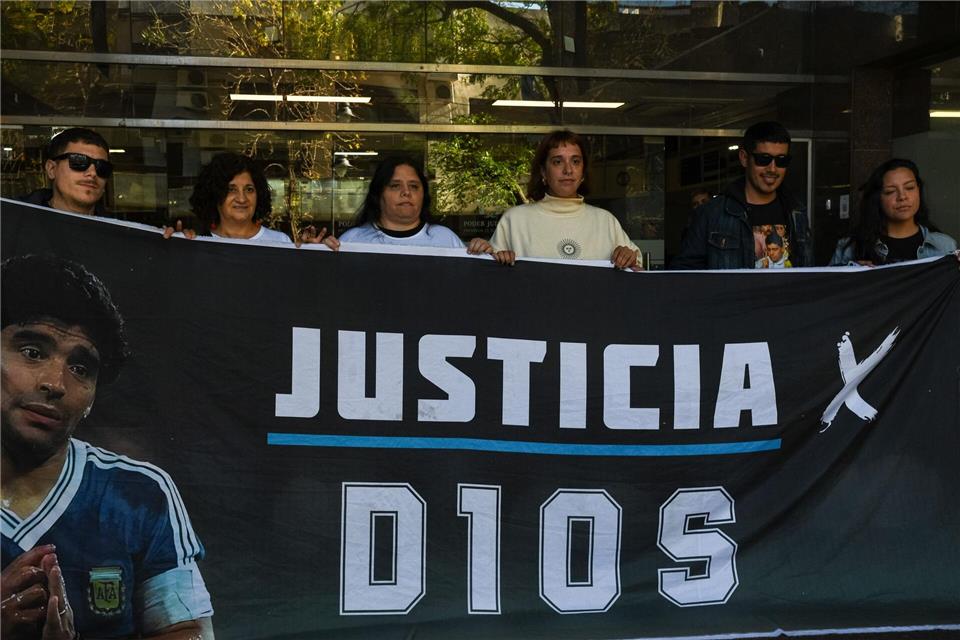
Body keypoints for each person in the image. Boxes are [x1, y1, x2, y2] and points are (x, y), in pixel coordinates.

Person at [1, 255, 214, 639]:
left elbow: (189, 631)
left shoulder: (140, 493)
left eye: (81, 368)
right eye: (32, 352)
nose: (56, 382)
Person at [488, 130, 641, 269]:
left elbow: (636, 274)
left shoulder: (605, 221)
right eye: (557, 162)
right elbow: (489, 275)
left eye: (575, 161)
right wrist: (493, 257)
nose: (568, 170)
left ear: (583, 172)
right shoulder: (515, 220)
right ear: (543, 172)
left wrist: (629, 260)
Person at [671, 121, 812, 269]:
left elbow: (809, 274)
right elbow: (683, 274)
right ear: (744, 158)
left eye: (781, 160)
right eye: (763, 159)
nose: (773, 168)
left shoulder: (797, 212)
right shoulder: (712, 214)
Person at [331, 156, 490, 253]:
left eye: (414, 186)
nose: (406, 192)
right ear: (378, 194)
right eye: (395, 186)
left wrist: (485, 256)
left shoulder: (445, 239)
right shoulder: (352, 241)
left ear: (423, 194)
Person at [829, 158, 957, 266]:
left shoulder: (944, 246)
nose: (902, 196)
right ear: (878, 198)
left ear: (918, 190)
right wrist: (853, 275)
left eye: (909, 187)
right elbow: (829, 291)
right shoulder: (849, 247)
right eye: (890, 191)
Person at [179, 152, 295, 244]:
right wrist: (172, 243)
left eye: (249, 189)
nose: (242, 199)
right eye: (231, 190)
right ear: (214, 194)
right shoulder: (197, 242)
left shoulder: (280, 242)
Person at [19, 128, 113, 216]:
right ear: (51, 169)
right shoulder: (12, 220)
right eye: (79, 161)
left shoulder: (118, 230)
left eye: (102, 167)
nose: (93, 173)